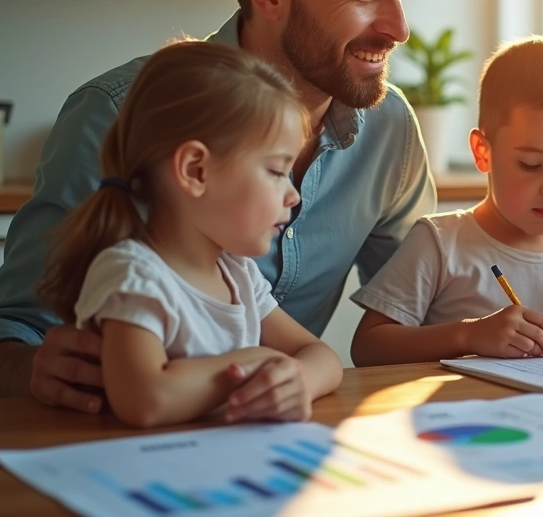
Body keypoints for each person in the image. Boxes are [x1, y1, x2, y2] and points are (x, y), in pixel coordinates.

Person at [0, 0, 436, 408]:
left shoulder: (389, 127)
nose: (399, 28)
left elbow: (419, 312)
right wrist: (29, 371)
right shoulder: (116, 115)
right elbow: (4, 333)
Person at [37, 41, 342, 427]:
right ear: (195, 170)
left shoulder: (238, 275)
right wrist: (255, 361)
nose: (293, 195)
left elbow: (321, 356)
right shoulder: (133, 275)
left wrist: (296, 381)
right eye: (277, 171)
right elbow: (146, 399)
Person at [349, 37, 543, 366]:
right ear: (483, 152)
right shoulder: (438, 243)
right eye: (531, 165)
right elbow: (368, 347)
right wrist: (468, 335)